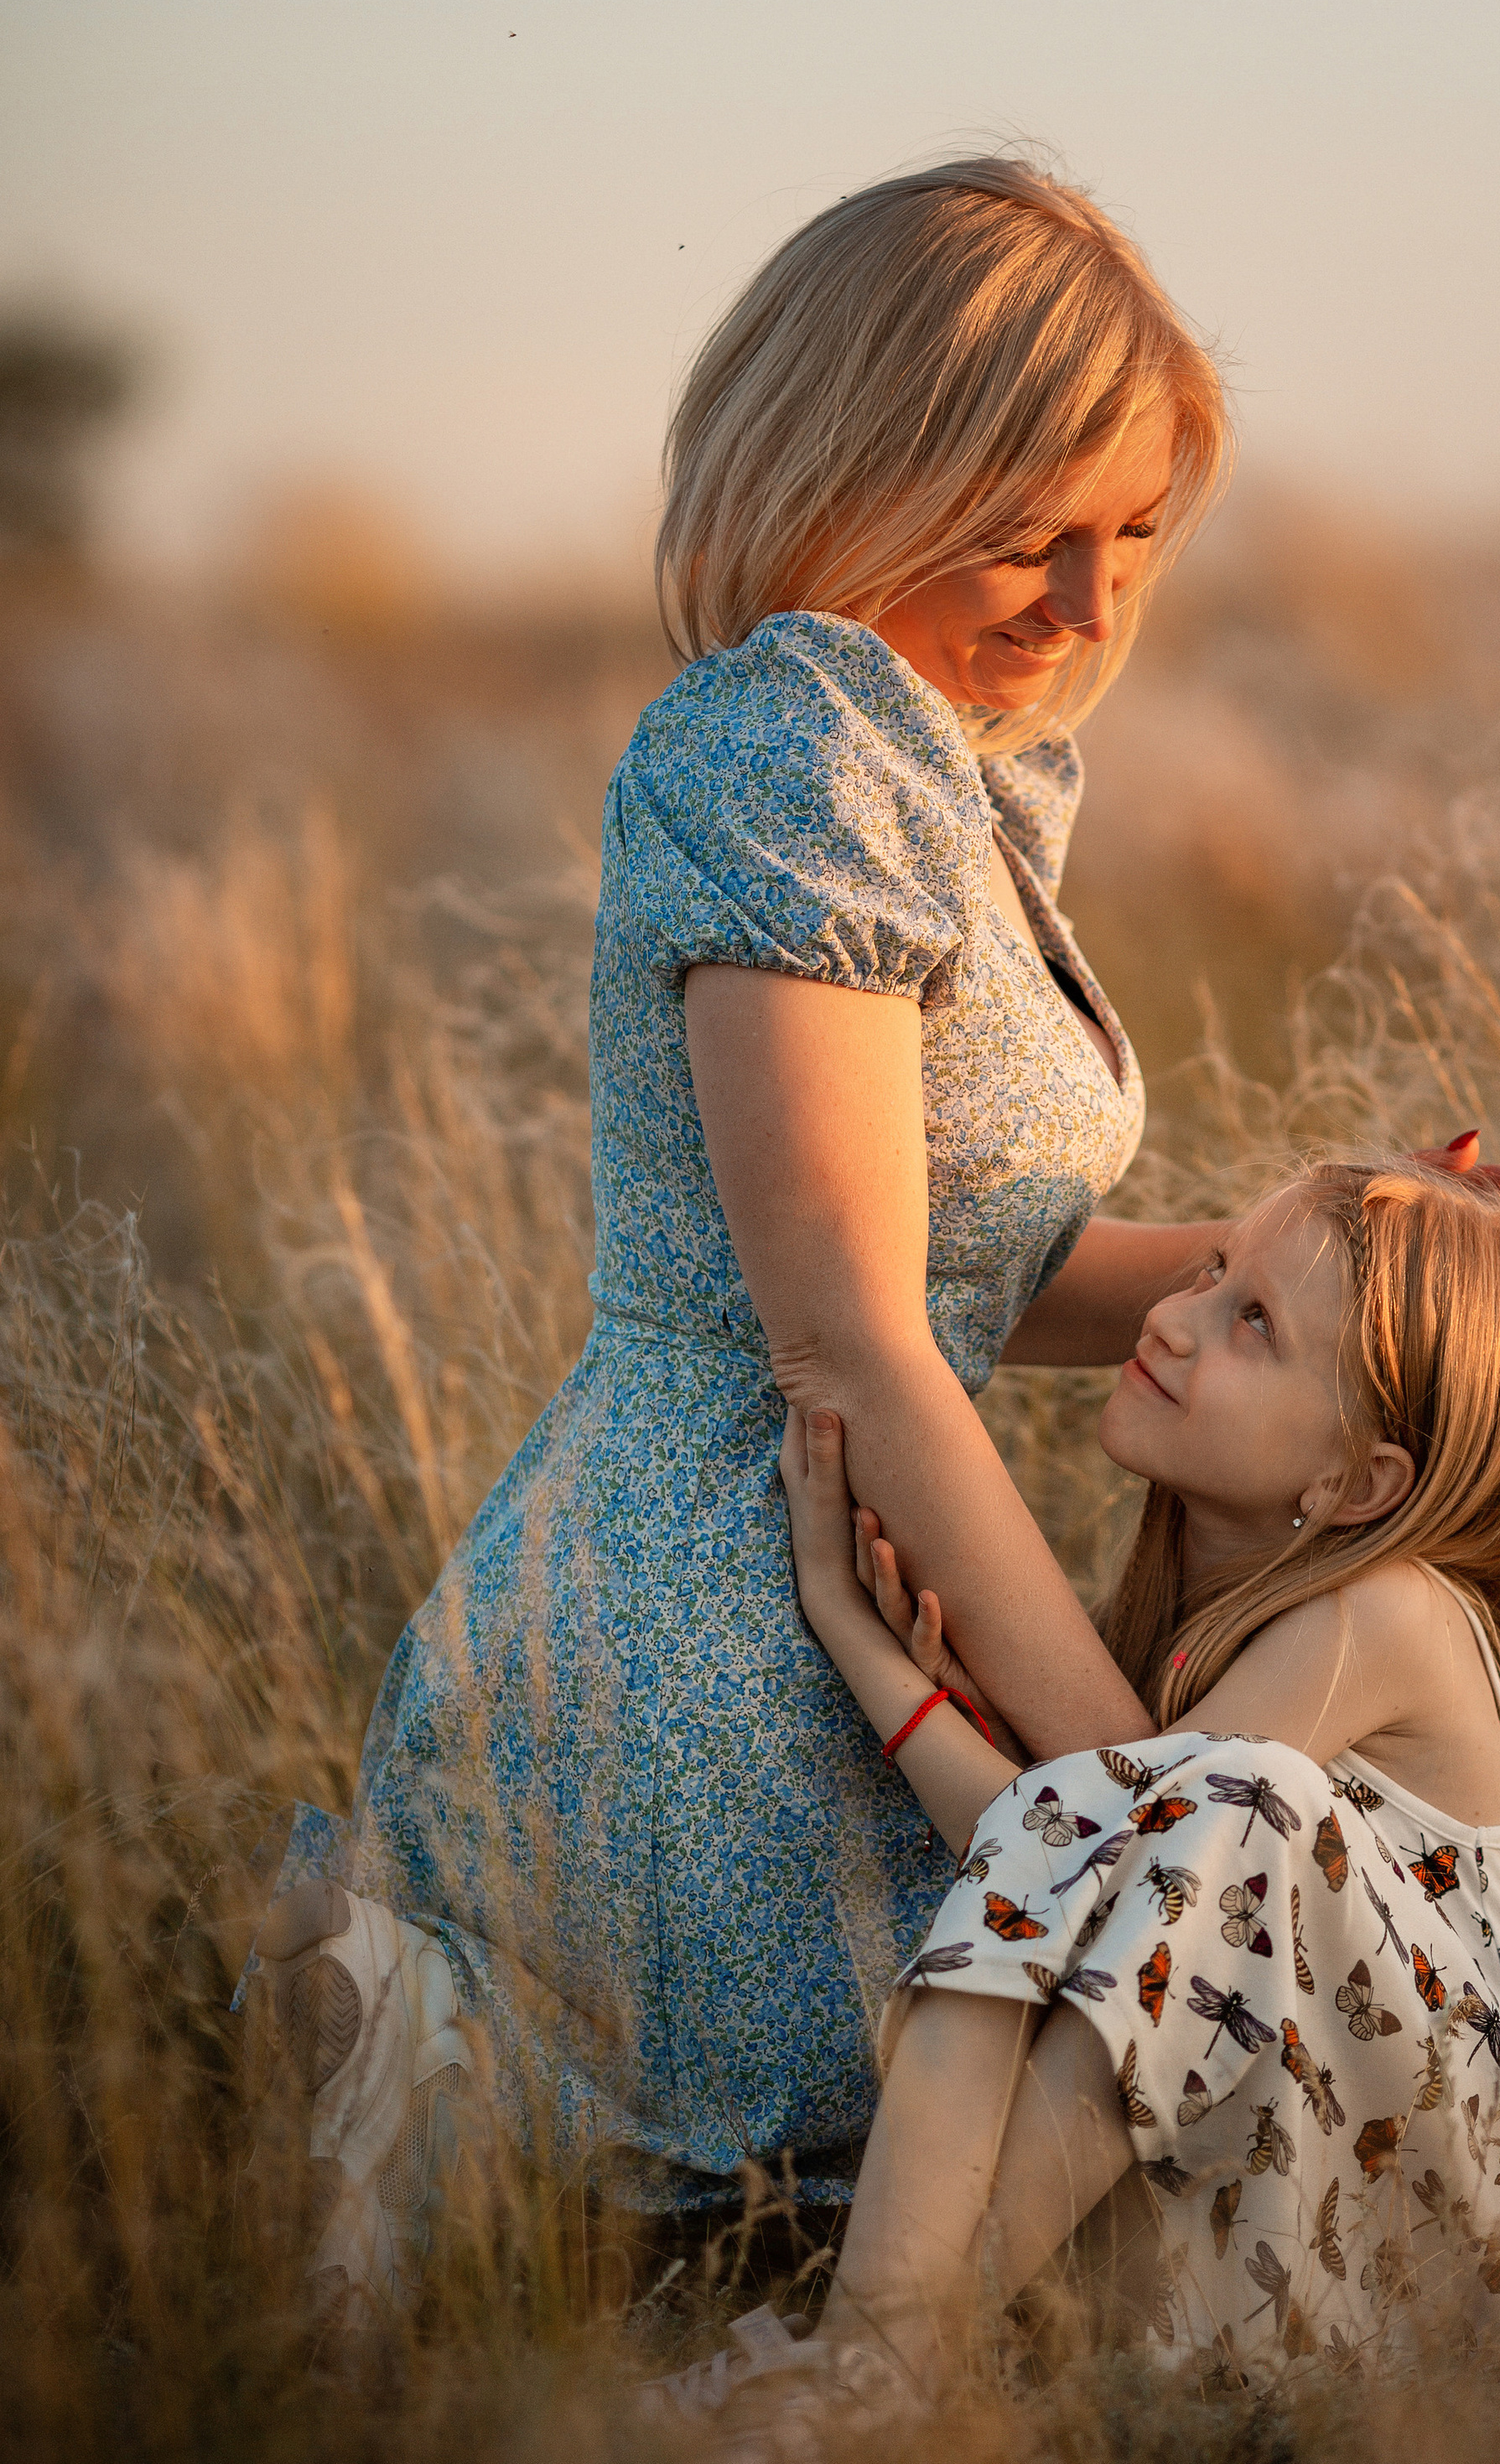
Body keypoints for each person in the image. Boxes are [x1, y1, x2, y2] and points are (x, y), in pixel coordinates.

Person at [252, 158, 1243, 2313]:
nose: (1086, 603)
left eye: (1133, 535)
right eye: (1022, 530)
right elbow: (853, 1341)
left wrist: (1340, 1254)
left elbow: (984, 1273)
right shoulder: (790, 734)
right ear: (849, 465)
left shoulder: (936, 757)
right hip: (709, 1633)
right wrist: (1125, 1789)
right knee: (699, 2290)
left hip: (863, 1567)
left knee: (820, 2287)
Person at [691, 1149, 1500, 2412]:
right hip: (1298, 2210)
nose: (1171, 1318)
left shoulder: (1390, 1619)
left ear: (1355, 1483)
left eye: (1254, 1322)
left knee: (1240, 1803)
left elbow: (1063, 1841)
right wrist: (897, 1657)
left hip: (1467, 2259)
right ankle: (876, 2360)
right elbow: (1054, 1855)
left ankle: (875, 2372)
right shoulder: (1184, 1632)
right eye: (1214, 1272)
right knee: (1189, 1816)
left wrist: (854, 1636)